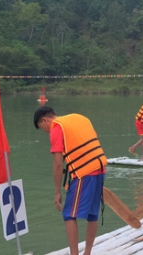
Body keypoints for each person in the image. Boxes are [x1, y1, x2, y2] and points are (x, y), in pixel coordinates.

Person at [34, 106, 107, 255]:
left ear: (46, 120)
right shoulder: (79, 117)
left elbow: (58, 163)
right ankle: (87, 253)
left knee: (68, 214)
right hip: (101, 168)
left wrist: (57, 192)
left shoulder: (57, 127)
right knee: (92, 214)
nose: (47, 132)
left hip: (84, 172)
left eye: (44, 129)